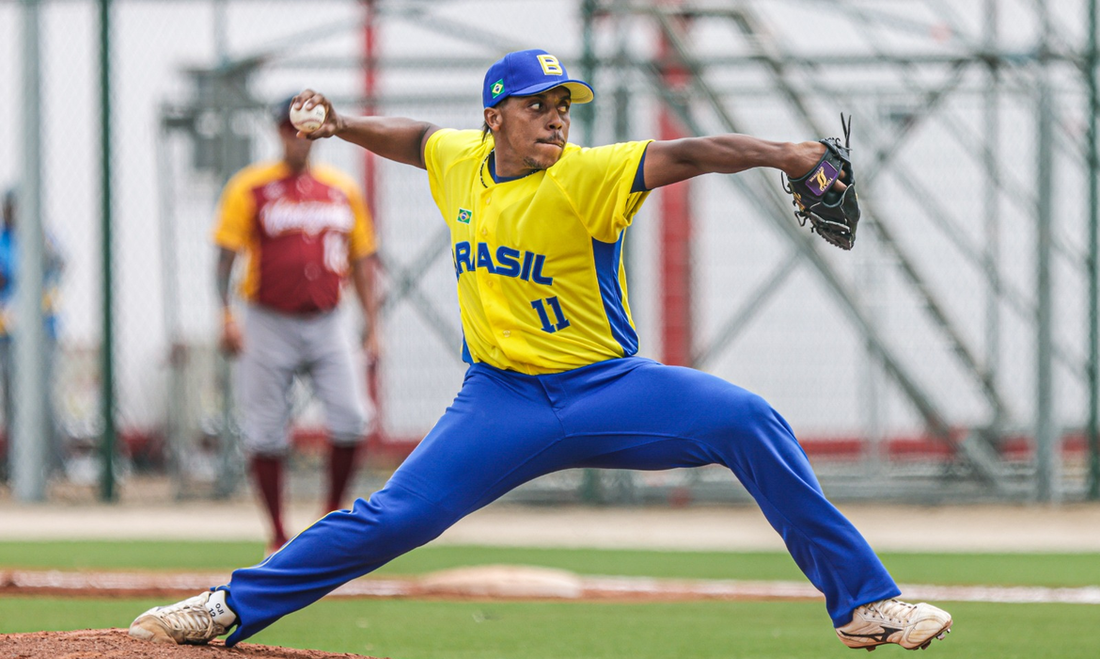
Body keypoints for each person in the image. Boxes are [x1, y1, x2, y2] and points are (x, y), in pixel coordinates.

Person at [129, 49, 952, 652]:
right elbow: (415, 138)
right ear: (495, 118)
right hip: (500, 400)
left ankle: (864, 602)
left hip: (608, 387)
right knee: (396, 515)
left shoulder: (587, 174)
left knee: (746, 418)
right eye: (536, 104)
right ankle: (229, 606)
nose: (557, 116)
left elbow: (695, 153)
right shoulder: (462, 161)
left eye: (563, 103)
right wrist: (342, 124)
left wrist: (791, 153)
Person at [211, 96, 381, 554]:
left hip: (329, 318)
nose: (298, 137)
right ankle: (278, 533)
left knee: (352, 417)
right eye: (290, 128)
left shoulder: (341, 188)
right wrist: (225, 316)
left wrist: (373, 324)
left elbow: (362, 260)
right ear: (278, 132)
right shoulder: (250, 187)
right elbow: (224, 257)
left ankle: (328, 518)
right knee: (265, 428)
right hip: (267, 319)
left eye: (306, 129)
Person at [0, 187, 66, 481]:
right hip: (8, 333)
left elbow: (59, 267)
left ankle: (54, 465)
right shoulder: (3, 242)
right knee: (14, 399)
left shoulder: (43, 239)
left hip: (42, 333)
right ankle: (19, 466)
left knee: (44, 399)